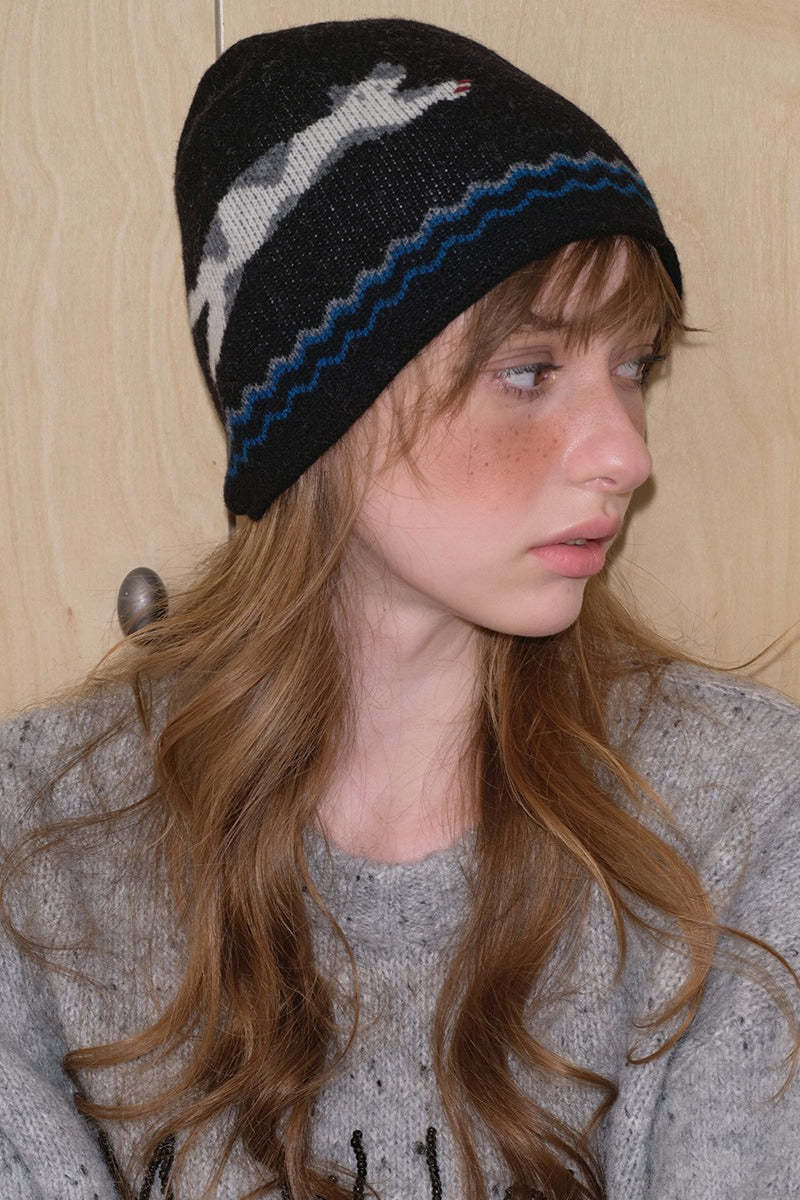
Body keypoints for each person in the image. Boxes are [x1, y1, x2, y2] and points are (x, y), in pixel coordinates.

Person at [1, 16, 798, 1200]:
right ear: (320, 407)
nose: (625, 455)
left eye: (632, 366)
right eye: (529, 372)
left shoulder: (739, 813)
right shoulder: (42, 841)